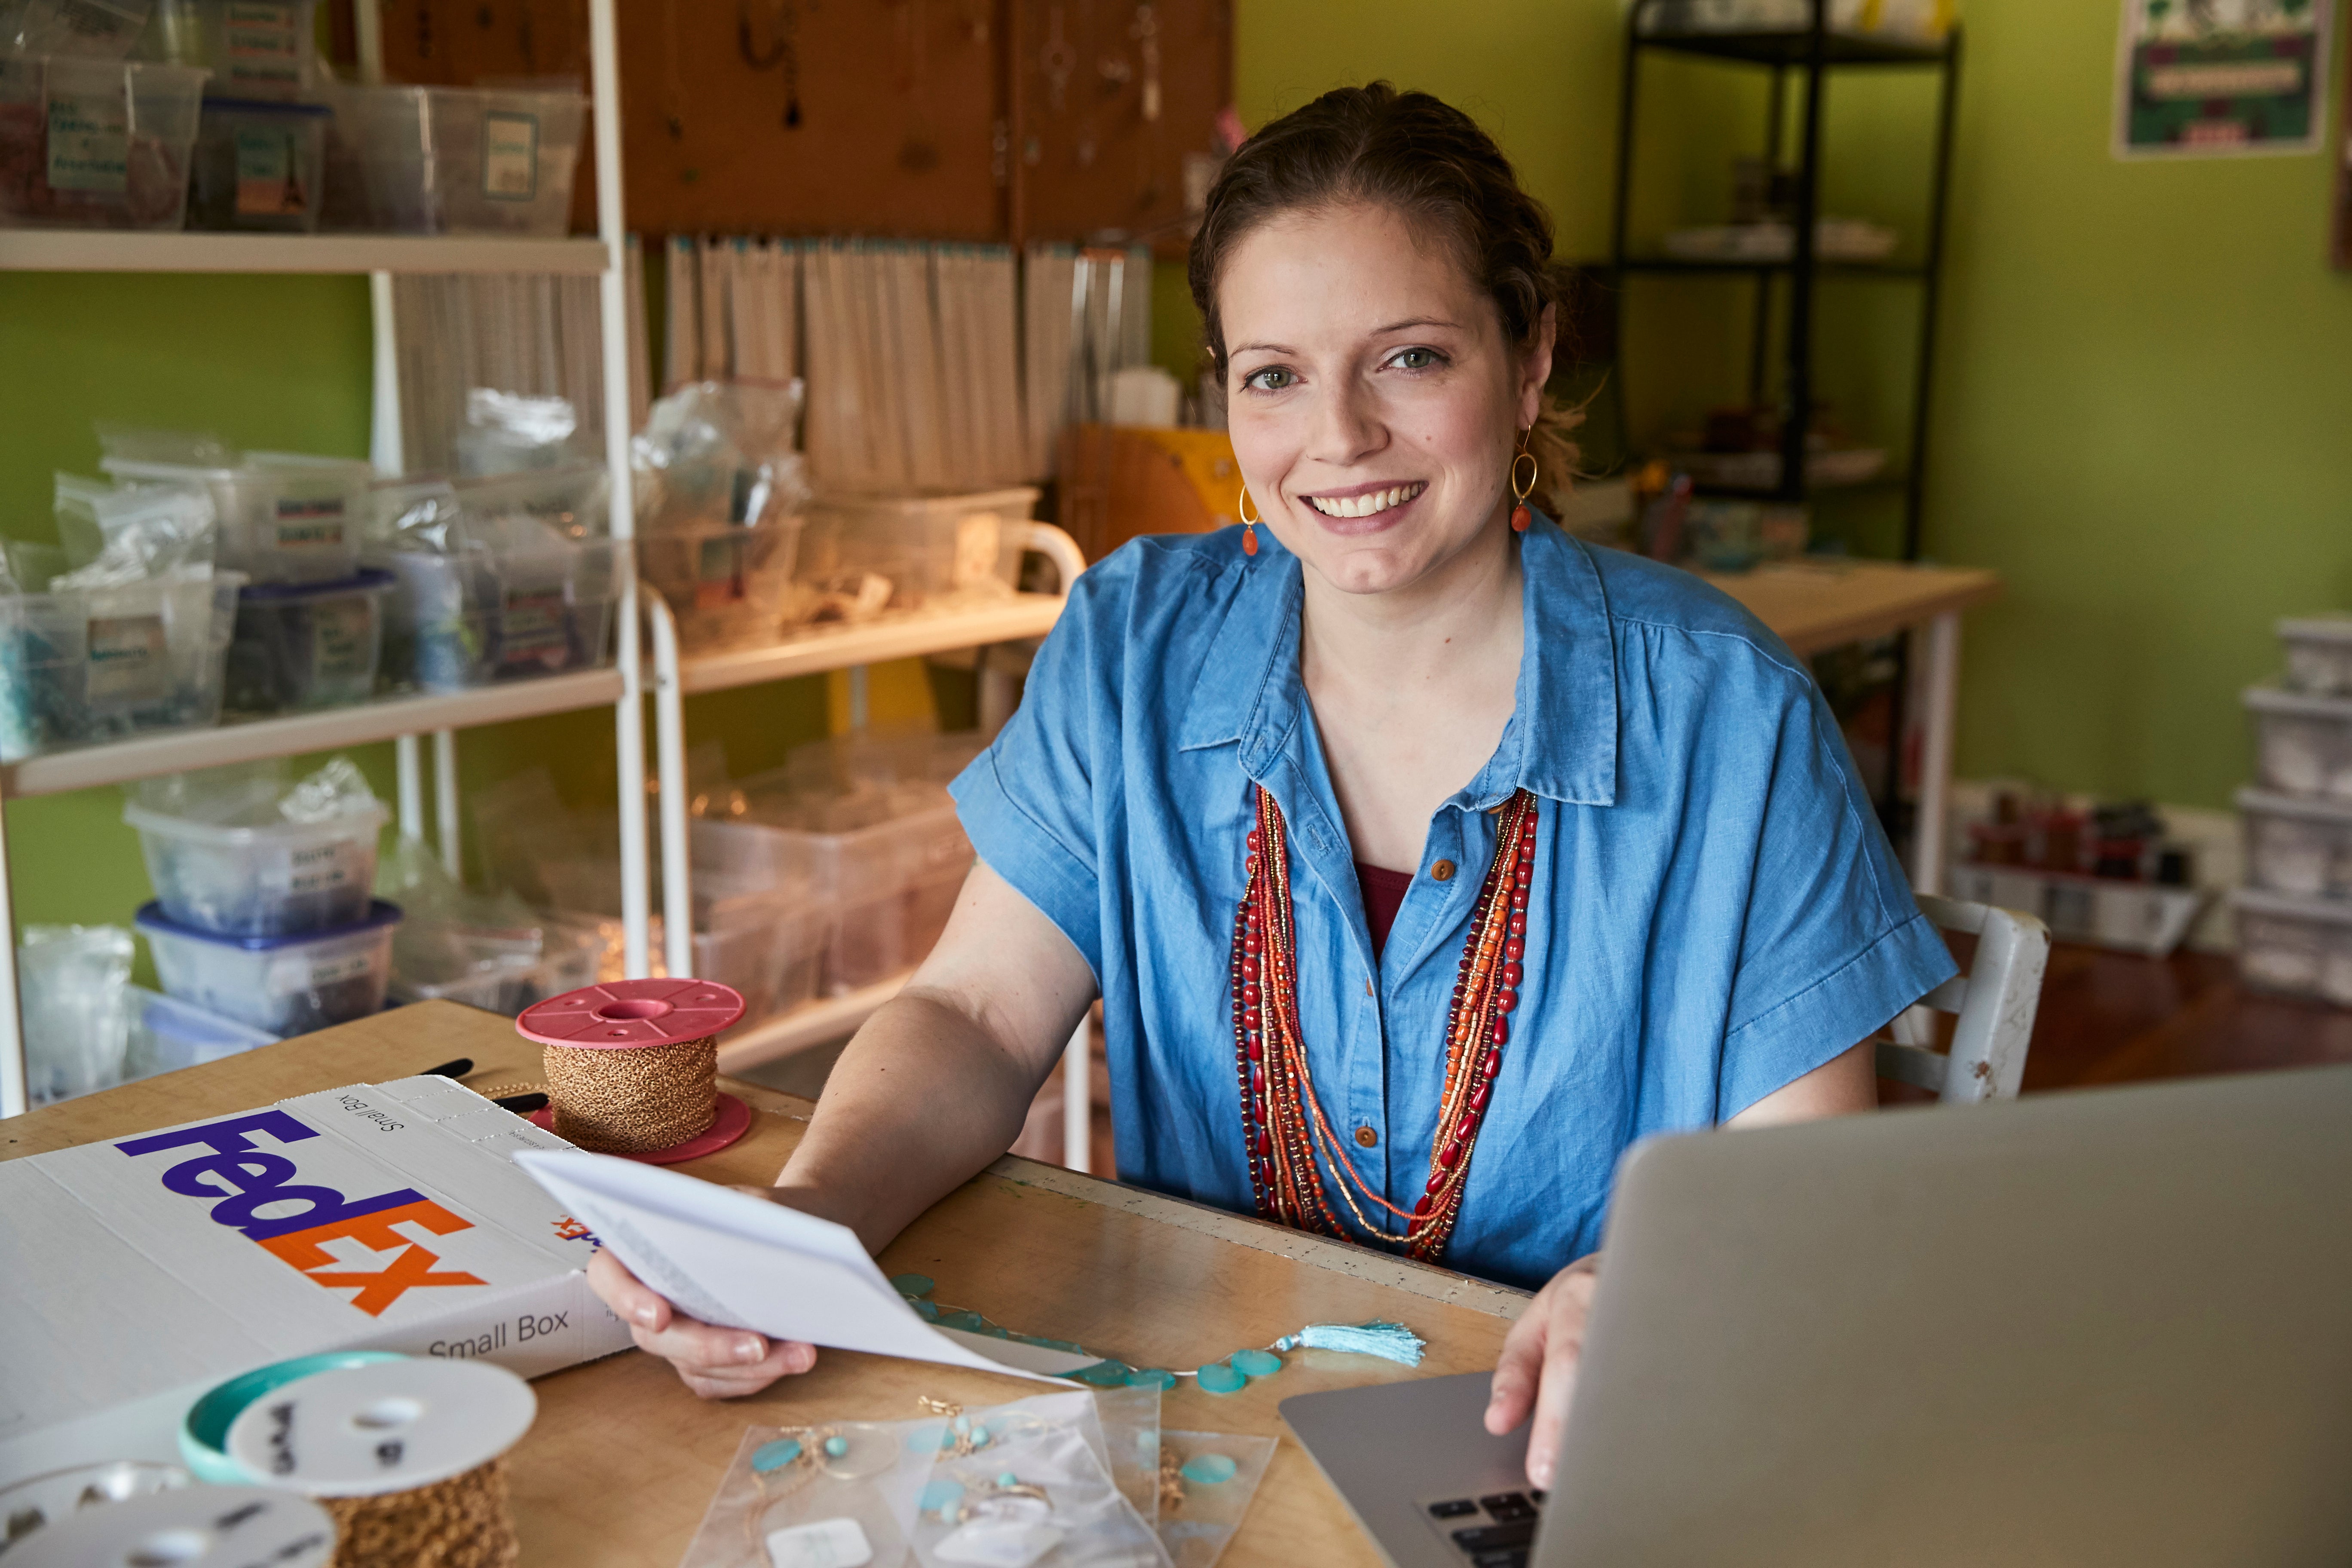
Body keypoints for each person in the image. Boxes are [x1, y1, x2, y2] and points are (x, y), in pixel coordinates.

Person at [590, 82, 1957, 1491]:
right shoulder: (1133, 644)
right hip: (1199, 1420)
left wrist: (1652, 1289)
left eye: (1412, 358)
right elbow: (976, 1017)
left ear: (1533, 359)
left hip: (1575, 1450)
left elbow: (1802, 1195)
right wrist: (809, 1228)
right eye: (1275, 375)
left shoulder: (1729, 711)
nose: (1341, 437)